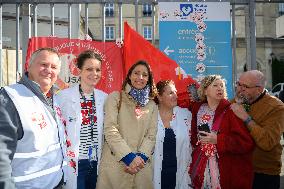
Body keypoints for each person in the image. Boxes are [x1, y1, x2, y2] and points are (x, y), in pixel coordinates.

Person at [0, 47, 66, 189]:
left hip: (56, 183)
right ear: (28, 66)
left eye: (54, 67)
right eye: (43, 64)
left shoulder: (57, 98)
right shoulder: (10, 98)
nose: (48, 70)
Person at [96, 60, 158, 189]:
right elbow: (110, 129)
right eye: (136, 73)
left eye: (145, 75)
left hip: (141, 168)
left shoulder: (152, 105)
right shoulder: (115, 97)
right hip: (116, 167)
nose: (140, 77)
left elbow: (151, 135)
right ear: (129, 76)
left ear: (149, 79)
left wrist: (139, 159)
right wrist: (129, 157)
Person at [189, 75, 254, 189]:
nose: (220, 88)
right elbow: (194, 138)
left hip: (225, 173)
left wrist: (218, 140)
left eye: (222, 86)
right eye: (215, 85)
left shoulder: (231, 111)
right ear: (205, 91)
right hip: (202, 170)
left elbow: (246, 143)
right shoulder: (198, 109)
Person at [55, 50, 107, 189]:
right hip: (75, 161)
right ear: (79, 71)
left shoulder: (104, 98)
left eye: (97, 70)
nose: (94, 73)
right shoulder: (63, 97)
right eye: (89, 69)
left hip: (95, 161)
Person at [231, 70, 284, 189]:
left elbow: (267, 142)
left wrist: (246, 118)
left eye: (246, 86)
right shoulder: (235, 102)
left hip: (263, 173)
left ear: (259, 90)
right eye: (239, 84)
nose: (240, 89)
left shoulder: (276, 107)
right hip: (238, 169)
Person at [153, 80, 192, 189]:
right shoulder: (149, 116)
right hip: (155, 175)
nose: (175, 95)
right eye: (170, 93)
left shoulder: (186, 115)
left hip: (180, 176)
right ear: (159, 97)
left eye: (175, 92)